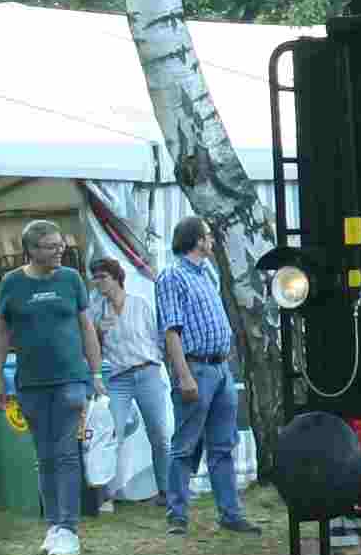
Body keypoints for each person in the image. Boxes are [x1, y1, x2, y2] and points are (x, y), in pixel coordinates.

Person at [0, 219, 97, 555]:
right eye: (52, 247)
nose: (60, 251)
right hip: (30, 383)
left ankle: (69, 528)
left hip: (70, 379)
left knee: (67, 453)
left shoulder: (71, 279)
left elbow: (86, 327)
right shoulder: (11, 283)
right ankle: (53, 525)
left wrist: (94, 373)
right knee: (45, 456)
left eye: (61, 245)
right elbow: (1, 333)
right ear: (32, 250)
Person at [156, 215, 255, 533]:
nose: (211, 240)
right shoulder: (172, 275)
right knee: (185, 445)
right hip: (195, 366)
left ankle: (230, 514)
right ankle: (177, 515)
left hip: (219, 368)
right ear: (197, 240)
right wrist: (183, 376)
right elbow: (171, 330)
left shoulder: (206, 272)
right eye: (208, 236)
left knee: (223, 445)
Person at [89, 255, 175, 513]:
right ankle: (104, 496)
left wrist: (160, 364)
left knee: (159, 434)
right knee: (109, 434)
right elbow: (92, 345)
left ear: (116, 278)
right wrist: (98, 332)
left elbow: (159, 336)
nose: (98, 283)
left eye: (102, 277)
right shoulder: (97, 311)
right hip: (118, 378)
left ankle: (167, 491)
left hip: (147, 371)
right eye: (95, 278)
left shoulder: (140, 304)